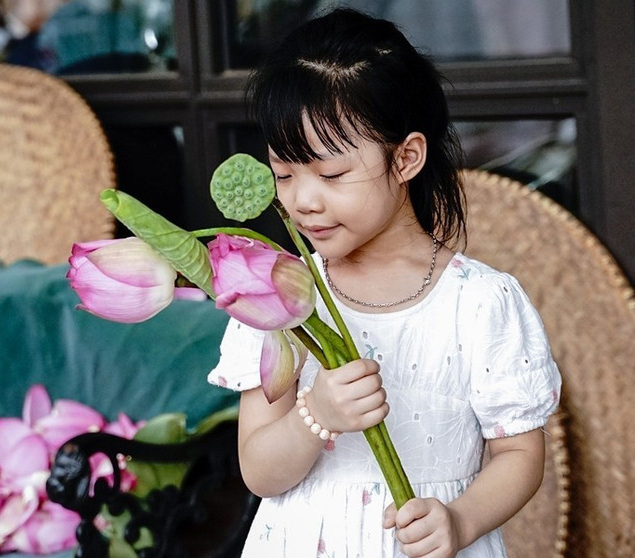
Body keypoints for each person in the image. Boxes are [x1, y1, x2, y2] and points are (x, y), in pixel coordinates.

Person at [207, 8, 561, 558]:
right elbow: (258, 470)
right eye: (284, 173)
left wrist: (460, 521)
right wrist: (315, 416)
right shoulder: (273, 295)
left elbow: (519, 455)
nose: (303, 199)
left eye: (331, 175)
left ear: (406, 158)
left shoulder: (479, 303)